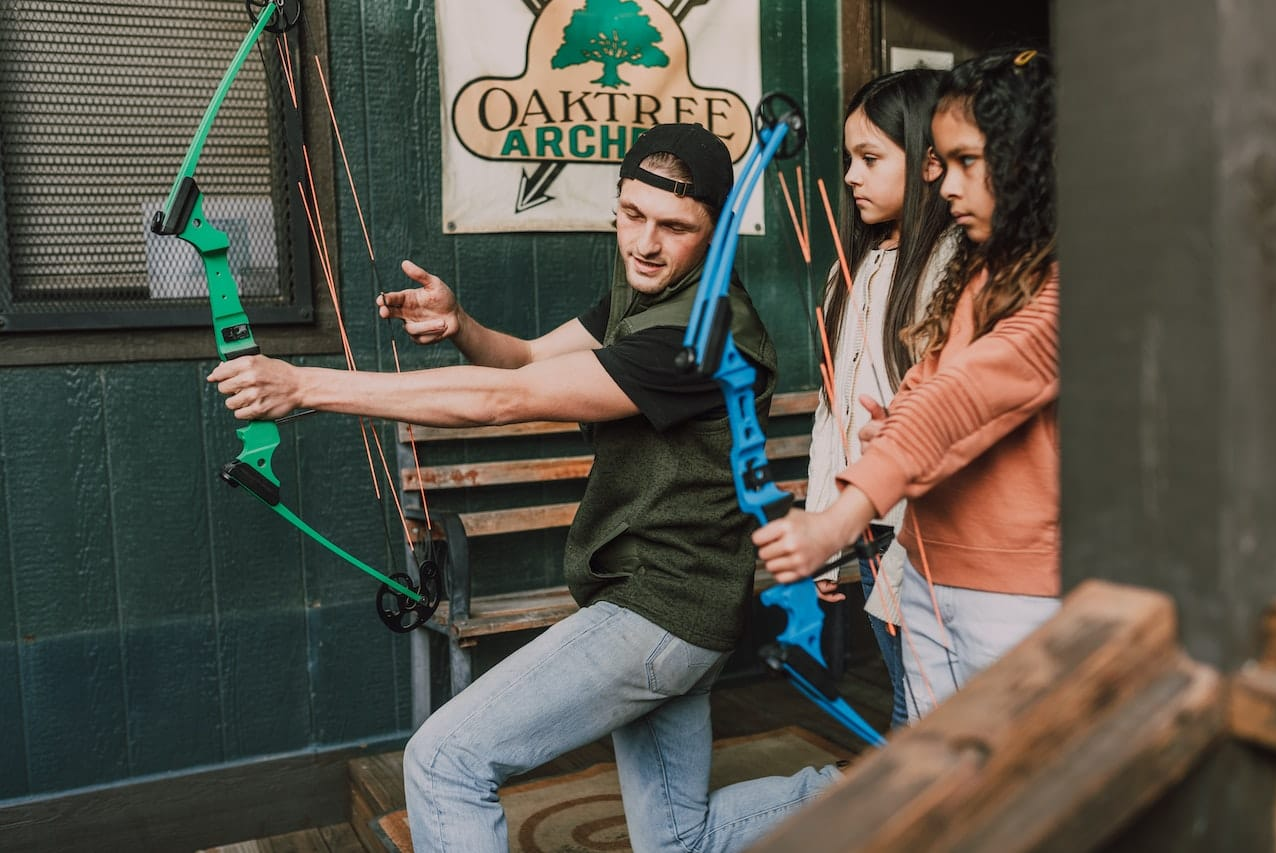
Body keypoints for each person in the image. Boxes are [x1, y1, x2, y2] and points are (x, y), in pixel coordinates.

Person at [208, 123, 841, 852]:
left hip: (660, 610)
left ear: (718, 230)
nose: (643, 242)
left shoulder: (700, 336)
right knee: (680, 840)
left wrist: (303, 384)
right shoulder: (649, 291)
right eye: (631, 214)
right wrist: (461, 324)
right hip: (675, 604)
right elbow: (529, 360)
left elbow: (505, 401)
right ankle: (866, 792)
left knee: (446, 760)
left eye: (674, 227)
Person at [756, 47, 1060, 722]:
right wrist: (889, 426)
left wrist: (834, 520)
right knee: (932, 782)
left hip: (1014, 597)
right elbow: (925, 387)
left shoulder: (1059, 291)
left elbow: (959, 400)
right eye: (941, 163)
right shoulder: (978, 279)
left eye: (965, 163)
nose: (945, 185)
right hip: (927, 573)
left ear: (1025, 162)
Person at [806, 68, 956, 729]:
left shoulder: (952, 266)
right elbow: (830, 408)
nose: (849, 177)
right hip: (864, 526)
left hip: (920, 531)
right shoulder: (854, 265)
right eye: (847, 159)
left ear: (928, 161)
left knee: (919, 708)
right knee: (908, 699)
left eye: (869, 158)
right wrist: (824, 522)